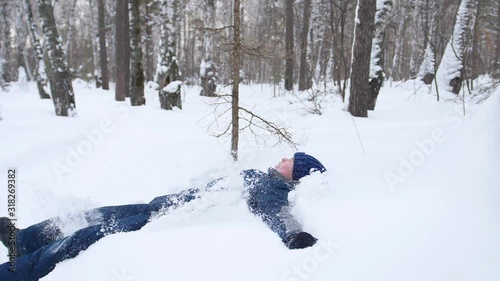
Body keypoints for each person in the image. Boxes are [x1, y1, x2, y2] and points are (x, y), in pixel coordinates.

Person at [0, 152, 326, 280]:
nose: (282, 157)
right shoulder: (262, 175)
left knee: (87, 236)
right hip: (156, 207)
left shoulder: (272, 192)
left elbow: (279, 215)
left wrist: (293, 234)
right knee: (91, 215)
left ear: (294, 173)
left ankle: (17, 272)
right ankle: (23, 240)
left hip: (163, 222)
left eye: (289, 160)